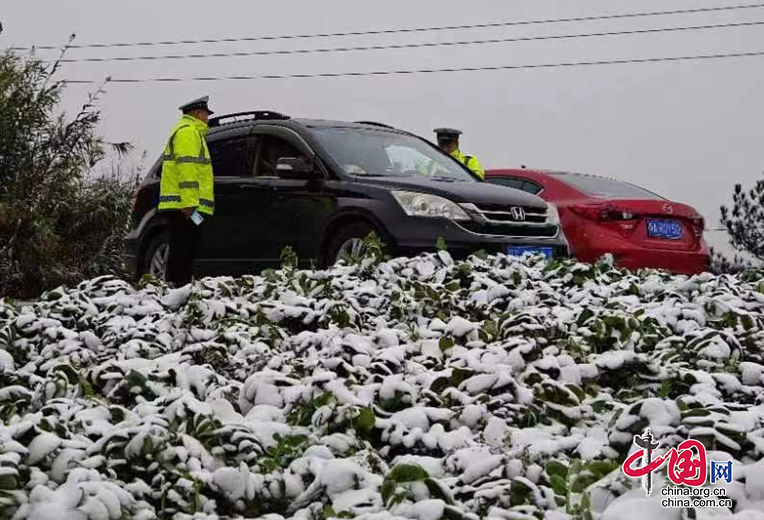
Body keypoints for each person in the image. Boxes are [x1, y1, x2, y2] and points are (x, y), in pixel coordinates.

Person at [158, 95, 215, 287]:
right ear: (197, 113)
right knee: (183, 248)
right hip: (185, 206)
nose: (207, 118)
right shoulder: (187, 133)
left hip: (185, 205)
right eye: (206, 114)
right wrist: (190, 203)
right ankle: (177, 288)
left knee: (185, 247)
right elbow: (187, 168)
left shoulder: (190, 132)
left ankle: (180, 286)